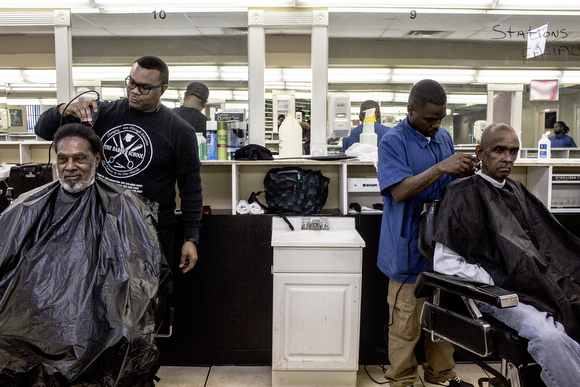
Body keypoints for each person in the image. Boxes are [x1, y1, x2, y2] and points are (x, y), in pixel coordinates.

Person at [0, 123, 164, 385]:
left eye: (80, 159)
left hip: (99, 311)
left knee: (122, 334)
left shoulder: (121, 205)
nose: (70, 167)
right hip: (34, 313)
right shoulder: (28, 206)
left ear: (97, 159)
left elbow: (137, 276)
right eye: (62, 159)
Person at [433, 122, 580, 387]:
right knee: (549, 336)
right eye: (499, 150)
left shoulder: (516, 190)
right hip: (500, 295)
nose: (507, 158)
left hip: (536, 284)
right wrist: (496, 276)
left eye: (513, 151)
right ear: (480, 152)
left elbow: (547, 245)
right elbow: (444, 263)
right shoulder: (462, 194)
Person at [35, 55, 201, 274]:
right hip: (99, 223)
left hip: (150, 230)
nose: (134, 91)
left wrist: (191, 237)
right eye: (131, 82)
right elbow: (43, 131)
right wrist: (64, 109)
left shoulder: (180, 132)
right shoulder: (102, 114)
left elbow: (190, 187)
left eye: (145, 87)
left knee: (147, 298)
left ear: (163, 89)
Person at [377, 79, 477, 387]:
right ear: (410, 110)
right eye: (429, 119)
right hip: (406, 250)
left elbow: (450, 185)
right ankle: (403, 380)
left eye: (440, 118)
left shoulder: (444, 137)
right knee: (406, 322)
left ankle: (442, 375)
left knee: (442, 319)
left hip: (442, 249)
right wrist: (441, 167)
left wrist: (465, 170)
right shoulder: (393, 142)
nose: (435, 125)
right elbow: (401, 191)